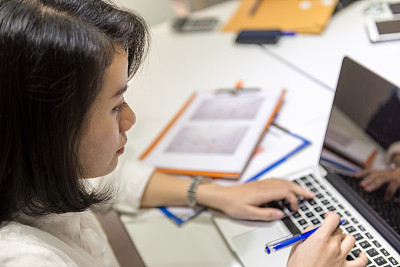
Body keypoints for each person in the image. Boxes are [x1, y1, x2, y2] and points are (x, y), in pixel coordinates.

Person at [0, 0, 367, 266]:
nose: (129, 119)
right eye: (115, 106)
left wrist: (212, 192)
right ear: (50, 132)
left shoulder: (29, 170)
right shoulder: (28, 259)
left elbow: (108, 178)